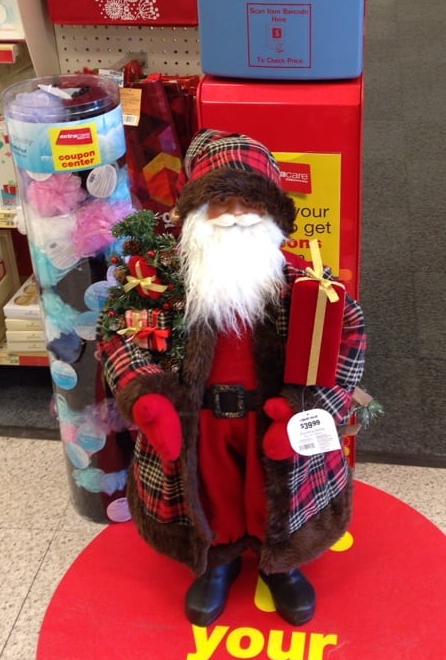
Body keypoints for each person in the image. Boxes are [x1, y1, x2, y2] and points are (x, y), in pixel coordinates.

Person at [97, 128, 367, 628]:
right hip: (199, 421)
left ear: (271, 213)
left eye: (250, 202)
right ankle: (216, 561)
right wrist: (147, 396)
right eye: (220, 202)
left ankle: (280, 563)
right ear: (196, 213)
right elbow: (119, 333)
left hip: (273, 417)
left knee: (274, 495)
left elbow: (346, 339)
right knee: (211, 495)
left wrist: (308, 410)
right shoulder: (159, 283)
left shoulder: (303, 283)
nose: (236, 214)